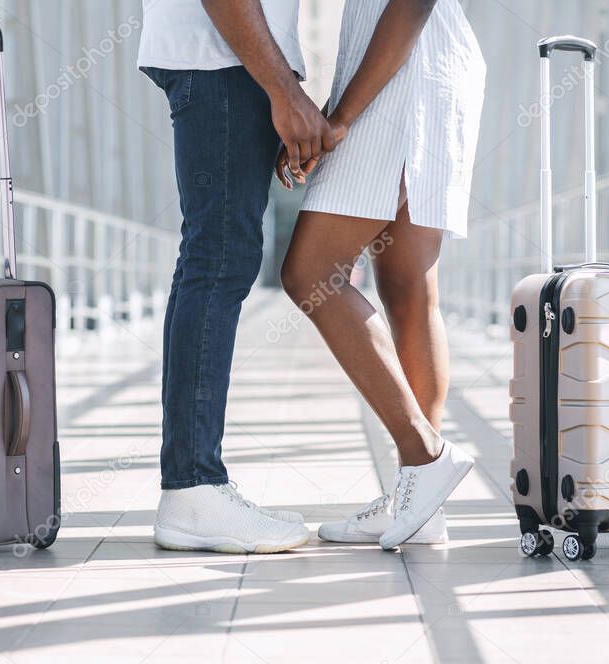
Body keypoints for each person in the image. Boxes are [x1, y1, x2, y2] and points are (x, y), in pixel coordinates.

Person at [278, 0, 486, 549]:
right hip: (421, 65)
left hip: (404, 75)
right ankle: (418, 502)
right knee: (407, 287)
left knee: (311, 274)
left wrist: (339, 118)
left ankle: (425, 455)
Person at [138, 0, 339, 553]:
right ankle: (193, 487)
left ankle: (193, 482)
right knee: (218, 257)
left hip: (227, 60)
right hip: (223, 60)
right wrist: (286, 91)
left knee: (215, 255)